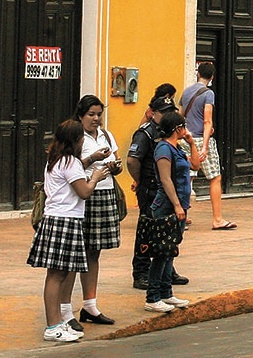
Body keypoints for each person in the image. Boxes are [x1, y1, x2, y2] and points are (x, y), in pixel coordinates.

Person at [29, 118, 110, 344]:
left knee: (58, 274)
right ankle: (53, 325)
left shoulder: (55, 160)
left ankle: (57, 322)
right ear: (77, 140)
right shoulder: (71, 162)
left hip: (56, 218)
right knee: (56, 275)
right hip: (65, 220)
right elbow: (83, 192)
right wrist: (95, 177)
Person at [63, 95, 122, 329]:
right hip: (84, 193)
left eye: (99, 114)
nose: (96, 119)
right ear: (80, 115)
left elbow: (116, 163)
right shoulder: (76, 138)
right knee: (75, 253)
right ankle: (65, 309)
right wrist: (92, 159)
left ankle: (90, 304)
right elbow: (69, 166)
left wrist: (113, 167)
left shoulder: (107, 135)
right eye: (91, 114)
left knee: (94, 252)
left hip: (105, 193)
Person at [126, 93, 186, 290]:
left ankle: (167, 270)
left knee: (169, 230)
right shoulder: (146, 133)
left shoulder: (167, 133)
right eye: (164, 113)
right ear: (152, 113)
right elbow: (133, 160)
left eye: (171, 112)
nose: (168, 116)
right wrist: (139, 180)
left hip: (165, 190)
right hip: (150, 188)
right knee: (146, 230)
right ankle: (141, 271)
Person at [141, 110, 194, 313]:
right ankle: (153, 296)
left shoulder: (177, 147)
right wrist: (177, 205)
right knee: (162, 252)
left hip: (180, 204)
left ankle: (166, 292)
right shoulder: (163, 149)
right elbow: (165, 179)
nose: (185, 129)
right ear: (177, 128)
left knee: (170, 250)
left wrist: (191, 143)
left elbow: (196, 164)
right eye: (183, 126)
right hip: (166, 206)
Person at [180, 62, 236, 230]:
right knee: (215, 178)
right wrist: (205, 146)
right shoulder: (208, 94)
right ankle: (217, 219)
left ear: (198, 73)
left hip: (185, 138)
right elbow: (207, 120)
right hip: (199, 138)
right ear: (211, 77)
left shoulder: (186, 92)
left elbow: (180, 116)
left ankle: (182, 216)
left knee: (186, 178)